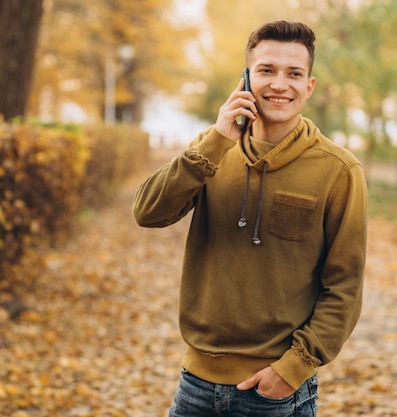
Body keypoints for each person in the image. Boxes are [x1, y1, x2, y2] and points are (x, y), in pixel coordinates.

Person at [132, 20, 367, 417]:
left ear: (308, 87)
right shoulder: (209, 152)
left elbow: (345, 285)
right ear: (245, 78)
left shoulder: (339, 170)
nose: (280, 84)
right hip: (195, 385)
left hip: (275, 391)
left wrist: (293, 369)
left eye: (294, 74)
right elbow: (148, 212)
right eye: (266, 70)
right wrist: (216, 140)